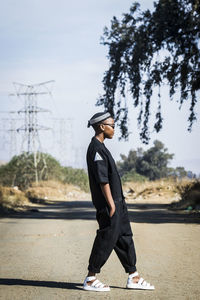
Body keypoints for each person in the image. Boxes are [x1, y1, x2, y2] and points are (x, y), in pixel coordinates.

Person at [83, 111, 154, 292]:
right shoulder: (96, 149)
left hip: (117, 202)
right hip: (110, 204)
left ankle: (134, 276)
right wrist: (111, 204)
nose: (115, 129)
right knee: (107, 237)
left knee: (124, 238)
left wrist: (118, 203)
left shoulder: (102, 147)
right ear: (101, 127)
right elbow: (102, 180)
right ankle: (91, 278)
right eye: (112, 126)